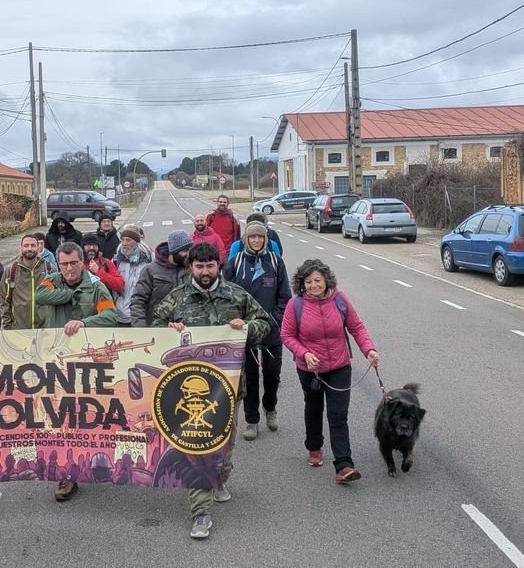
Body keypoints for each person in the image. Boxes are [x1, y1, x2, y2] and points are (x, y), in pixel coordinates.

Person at [152, 242, 270, 540]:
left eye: (210, 266)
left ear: (219, 265)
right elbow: (155, 326)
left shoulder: (236, 294)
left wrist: (245, 327)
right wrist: (170, 327)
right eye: (199, 266)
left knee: (224, 447)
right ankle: (200, 511)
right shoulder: (177, 298)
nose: (205, 272)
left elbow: (265, 324)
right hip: (186, 391)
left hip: (229, 389)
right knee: (198, 445)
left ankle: (219, 477)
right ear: (190, 267)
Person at [280, 259, 379, 484]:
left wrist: (369, 350)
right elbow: (286, 335)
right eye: (309, 282)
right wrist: (304, 353)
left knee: (338, 416)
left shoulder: (340, 300)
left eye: (318, 280)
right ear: (302, 284)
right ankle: (314, 447)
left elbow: (356, 327)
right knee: (313, 408)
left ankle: (344, 465)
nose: (314, 285)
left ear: (326, 280)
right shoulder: (296, 305)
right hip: (310, 369)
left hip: (340, 366)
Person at [35, 241, 120, 501]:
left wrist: (83, 321)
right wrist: (69, 295)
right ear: (58, 264)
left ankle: (93, 461)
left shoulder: (96, 287)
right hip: (55, 364)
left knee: (85, 417)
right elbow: (40, 296)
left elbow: (110, 316)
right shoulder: (51, 280)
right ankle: (66, 474)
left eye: (73, 263)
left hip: (85, 367)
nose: (69, 269)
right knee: (58, 420)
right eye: (64, 264)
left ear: (82, 261)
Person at [224, 221, 291, 440]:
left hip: (271, 330)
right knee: (250, 379)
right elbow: (226, 295)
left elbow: (285, 297)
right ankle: (251, 421)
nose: (256, 241)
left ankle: (270, 408)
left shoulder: (275, 262)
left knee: (272, 375)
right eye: (252, 237)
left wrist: (272, 320)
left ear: (265, 240)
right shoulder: (235, 263)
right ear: (246, 239)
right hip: (245, 332)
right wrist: (236, 320)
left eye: (260, 238)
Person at [129, 230, 193, 328]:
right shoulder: (151, 270)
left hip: (186, 330)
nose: (189, 254)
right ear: (174, 252)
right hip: (158, 329)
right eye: (185, 251)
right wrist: (141, 329)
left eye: (190, 250)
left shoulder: (192, 269)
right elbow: (137, 301)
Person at [1, 234, 52, 330]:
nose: (29, 248)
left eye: (33, 245)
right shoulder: (10, 271)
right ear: (21, 248)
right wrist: (8, 326)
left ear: (38, 247)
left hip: (45, 329)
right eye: (26, 245)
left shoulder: (49, 269)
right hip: (19, 330)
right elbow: (3, 300)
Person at [111, 227, 152, 326]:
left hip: (141, 315)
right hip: (120, 315)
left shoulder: (149, 260)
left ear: (137, 241)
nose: (124, 243)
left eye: (128, 240)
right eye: (122, 240)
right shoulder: (116, 261)